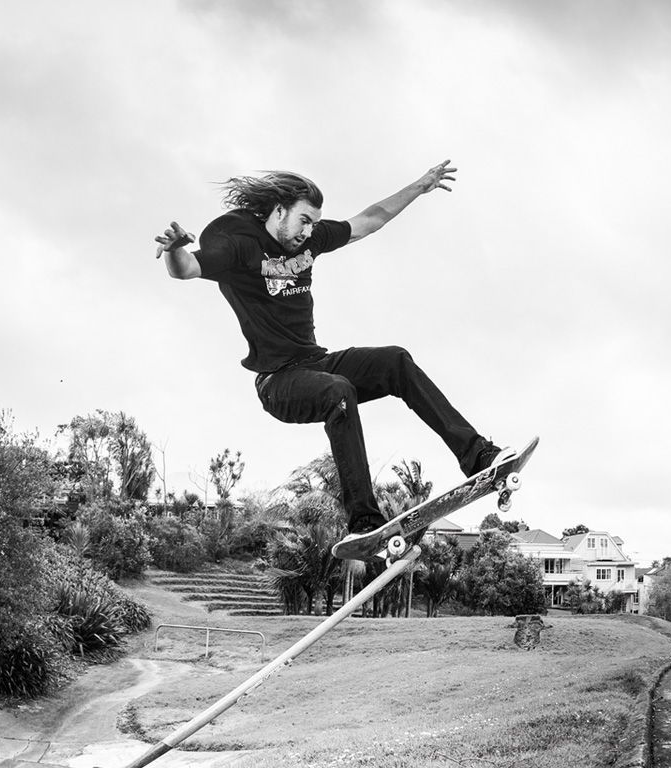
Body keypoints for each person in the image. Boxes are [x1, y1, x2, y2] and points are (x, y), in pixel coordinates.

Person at [156, 160, 507, 546]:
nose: (308, 233)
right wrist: (175, 250)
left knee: (395, 360)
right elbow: (186, 268)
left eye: (313, 224)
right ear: (278, 211)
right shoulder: (238, 244)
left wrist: (419, 186)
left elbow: (370, 220)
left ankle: (479, 456)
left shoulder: (311, 239)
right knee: (338, 391)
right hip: (278, 381)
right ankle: (364, 522)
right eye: (303, 221)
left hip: (315, 363)